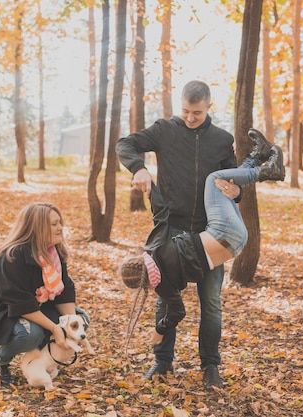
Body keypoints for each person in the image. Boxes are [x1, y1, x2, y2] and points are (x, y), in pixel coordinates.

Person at [120, 131, 284, 390]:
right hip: (220, 231)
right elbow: (161, 211)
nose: (191, 115)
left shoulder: (163, 285)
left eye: (195, 111)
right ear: (140, 259)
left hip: (235, 243)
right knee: (213, 179)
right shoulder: (157, 248)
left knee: (209, 306)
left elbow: (177, 310)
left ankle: (256, 157)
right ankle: (265, 170)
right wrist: (150, 188)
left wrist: (160, 329)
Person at [117, 79, 247, 390]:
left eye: (197, 113)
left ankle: (210, 366)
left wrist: (237, 191)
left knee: (211, 301)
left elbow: (232, 183)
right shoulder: (165, 130)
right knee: (165, 299)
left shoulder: (222, 140)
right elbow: (125, 143)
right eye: (186, 111)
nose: (190, 118)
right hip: (170, 228)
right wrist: (139, 168)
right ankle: (162, 363)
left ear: (209, 107)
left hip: (209, 232)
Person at [0, 202, 90, 386]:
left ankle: (40, 362)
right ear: (37, 228)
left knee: (81, 319)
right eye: (54, 224)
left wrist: (70, 323)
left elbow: (64, 291)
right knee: (31, 334)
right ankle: (0, 359)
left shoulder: (54, 253)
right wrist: (55, 329)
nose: (60, 228)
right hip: (1, 313)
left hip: (38, 306)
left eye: (60, 223)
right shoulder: (12, 257)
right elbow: (19, 303)